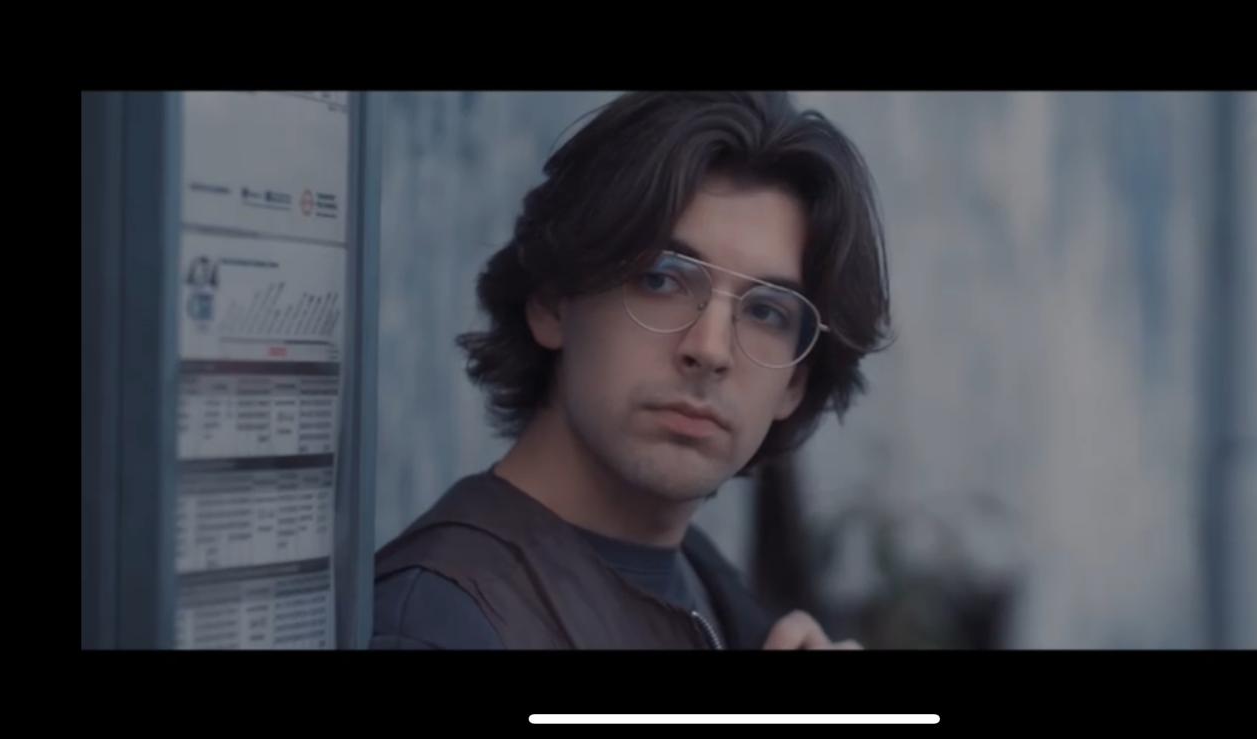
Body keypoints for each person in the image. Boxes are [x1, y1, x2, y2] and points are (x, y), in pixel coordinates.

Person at [370, 91, 892, 649]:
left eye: (767, 311)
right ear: (553, 300)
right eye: (661, 279)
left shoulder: (705, 581)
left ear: (795, 381)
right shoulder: (436, 623)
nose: (711, 349)